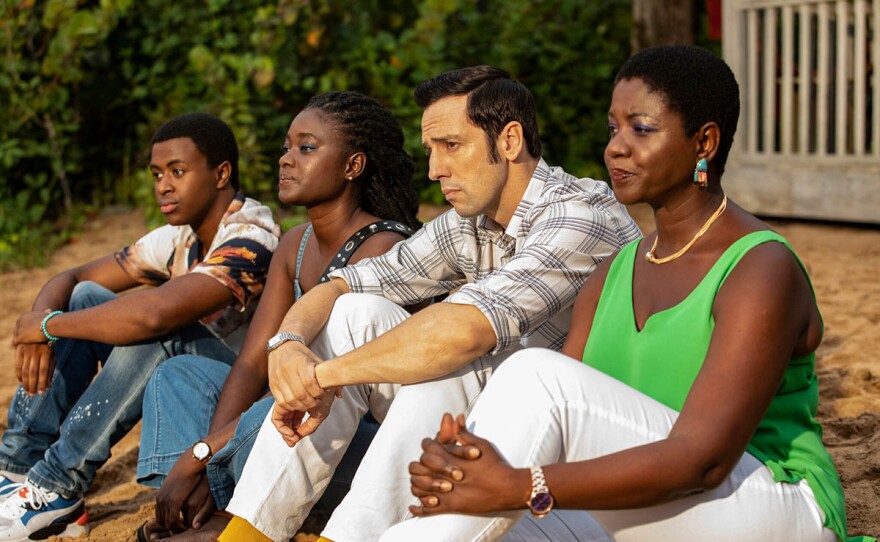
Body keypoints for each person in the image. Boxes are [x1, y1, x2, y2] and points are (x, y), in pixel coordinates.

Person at [383, 45, 875, 542]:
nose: (616, 147)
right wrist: (466, 468)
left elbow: (702, 462)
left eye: (640, 128)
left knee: (531, 376)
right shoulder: (613, 274)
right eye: (612, 129)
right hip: (646, 503)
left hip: (766, 502)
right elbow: (569, 433)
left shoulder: (760, 267)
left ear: (704, 142)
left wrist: (514, 484)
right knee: (472, 523)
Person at [213, 65, 641, 542]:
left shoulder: (579, 215)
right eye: (431, 151)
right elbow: (340, 287)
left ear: (510, 141)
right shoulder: (471, 222)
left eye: (451, 146)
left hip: (588, 457)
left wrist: (320, 378)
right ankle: (247, 535)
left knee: (458, 360)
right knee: (355, 314)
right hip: (490, 434)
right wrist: (289, 344)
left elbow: (466, 332)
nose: (436, 169)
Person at [135, 91, 423, 541]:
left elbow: (338, 391)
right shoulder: (296, 243)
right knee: (182, 374)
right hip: (287, 432)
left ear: (353, 166)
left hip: (350, 449)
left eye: (306, 148)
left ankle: (225, 514)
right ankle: (201, 511)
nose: (287, 159)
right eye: (286, 147)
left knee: (298, 393)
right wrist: (206, 459)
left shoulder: (383, 247)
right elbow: (252, 362)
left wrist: (201, 454)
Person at [0, 113, 280, 541]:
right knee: (86, 300)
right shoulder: (180, 239)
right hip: (189, 386)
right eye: (157, 174)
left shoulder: (252, 234)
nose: (163, 185)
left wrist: (50, 325)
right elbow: (73, 280)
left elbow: (156, 315)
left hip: (241, 405)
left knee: (159, 326)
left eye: (178, 172)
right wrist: (43, 323)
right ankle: (17, 467)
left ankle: (58, 484)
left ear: (222, 174)